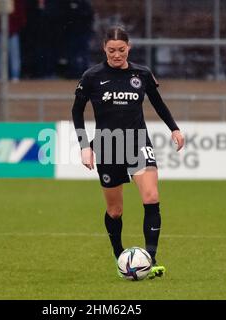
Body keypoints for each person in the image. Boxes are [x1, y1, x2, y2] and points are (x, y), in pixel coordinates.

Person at [71, 26, 184, 279]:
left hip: (137, 142)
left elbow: (158, 103)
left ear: (129, 48)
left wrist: (174, 129)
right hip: (108, 145)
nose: (116, 55)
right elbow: (76, 111)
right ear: (104, 49)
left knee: (151, 196)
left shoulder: (141, 74)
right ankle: (120, 256)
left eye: (121, 50)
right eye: (111, 50)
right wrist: (84, 146)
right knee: (115, 211)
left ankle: (150, 258)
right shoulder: (92, 76)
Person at [0, 0, 27, 82]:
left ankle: (15, 75)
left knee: (14, 55)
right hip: (1, 31)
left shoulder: (17, 2)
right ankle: (1, 75)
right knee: (1, 55)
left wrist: (16, 28)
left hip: (13, 32)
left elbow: (21, 15)